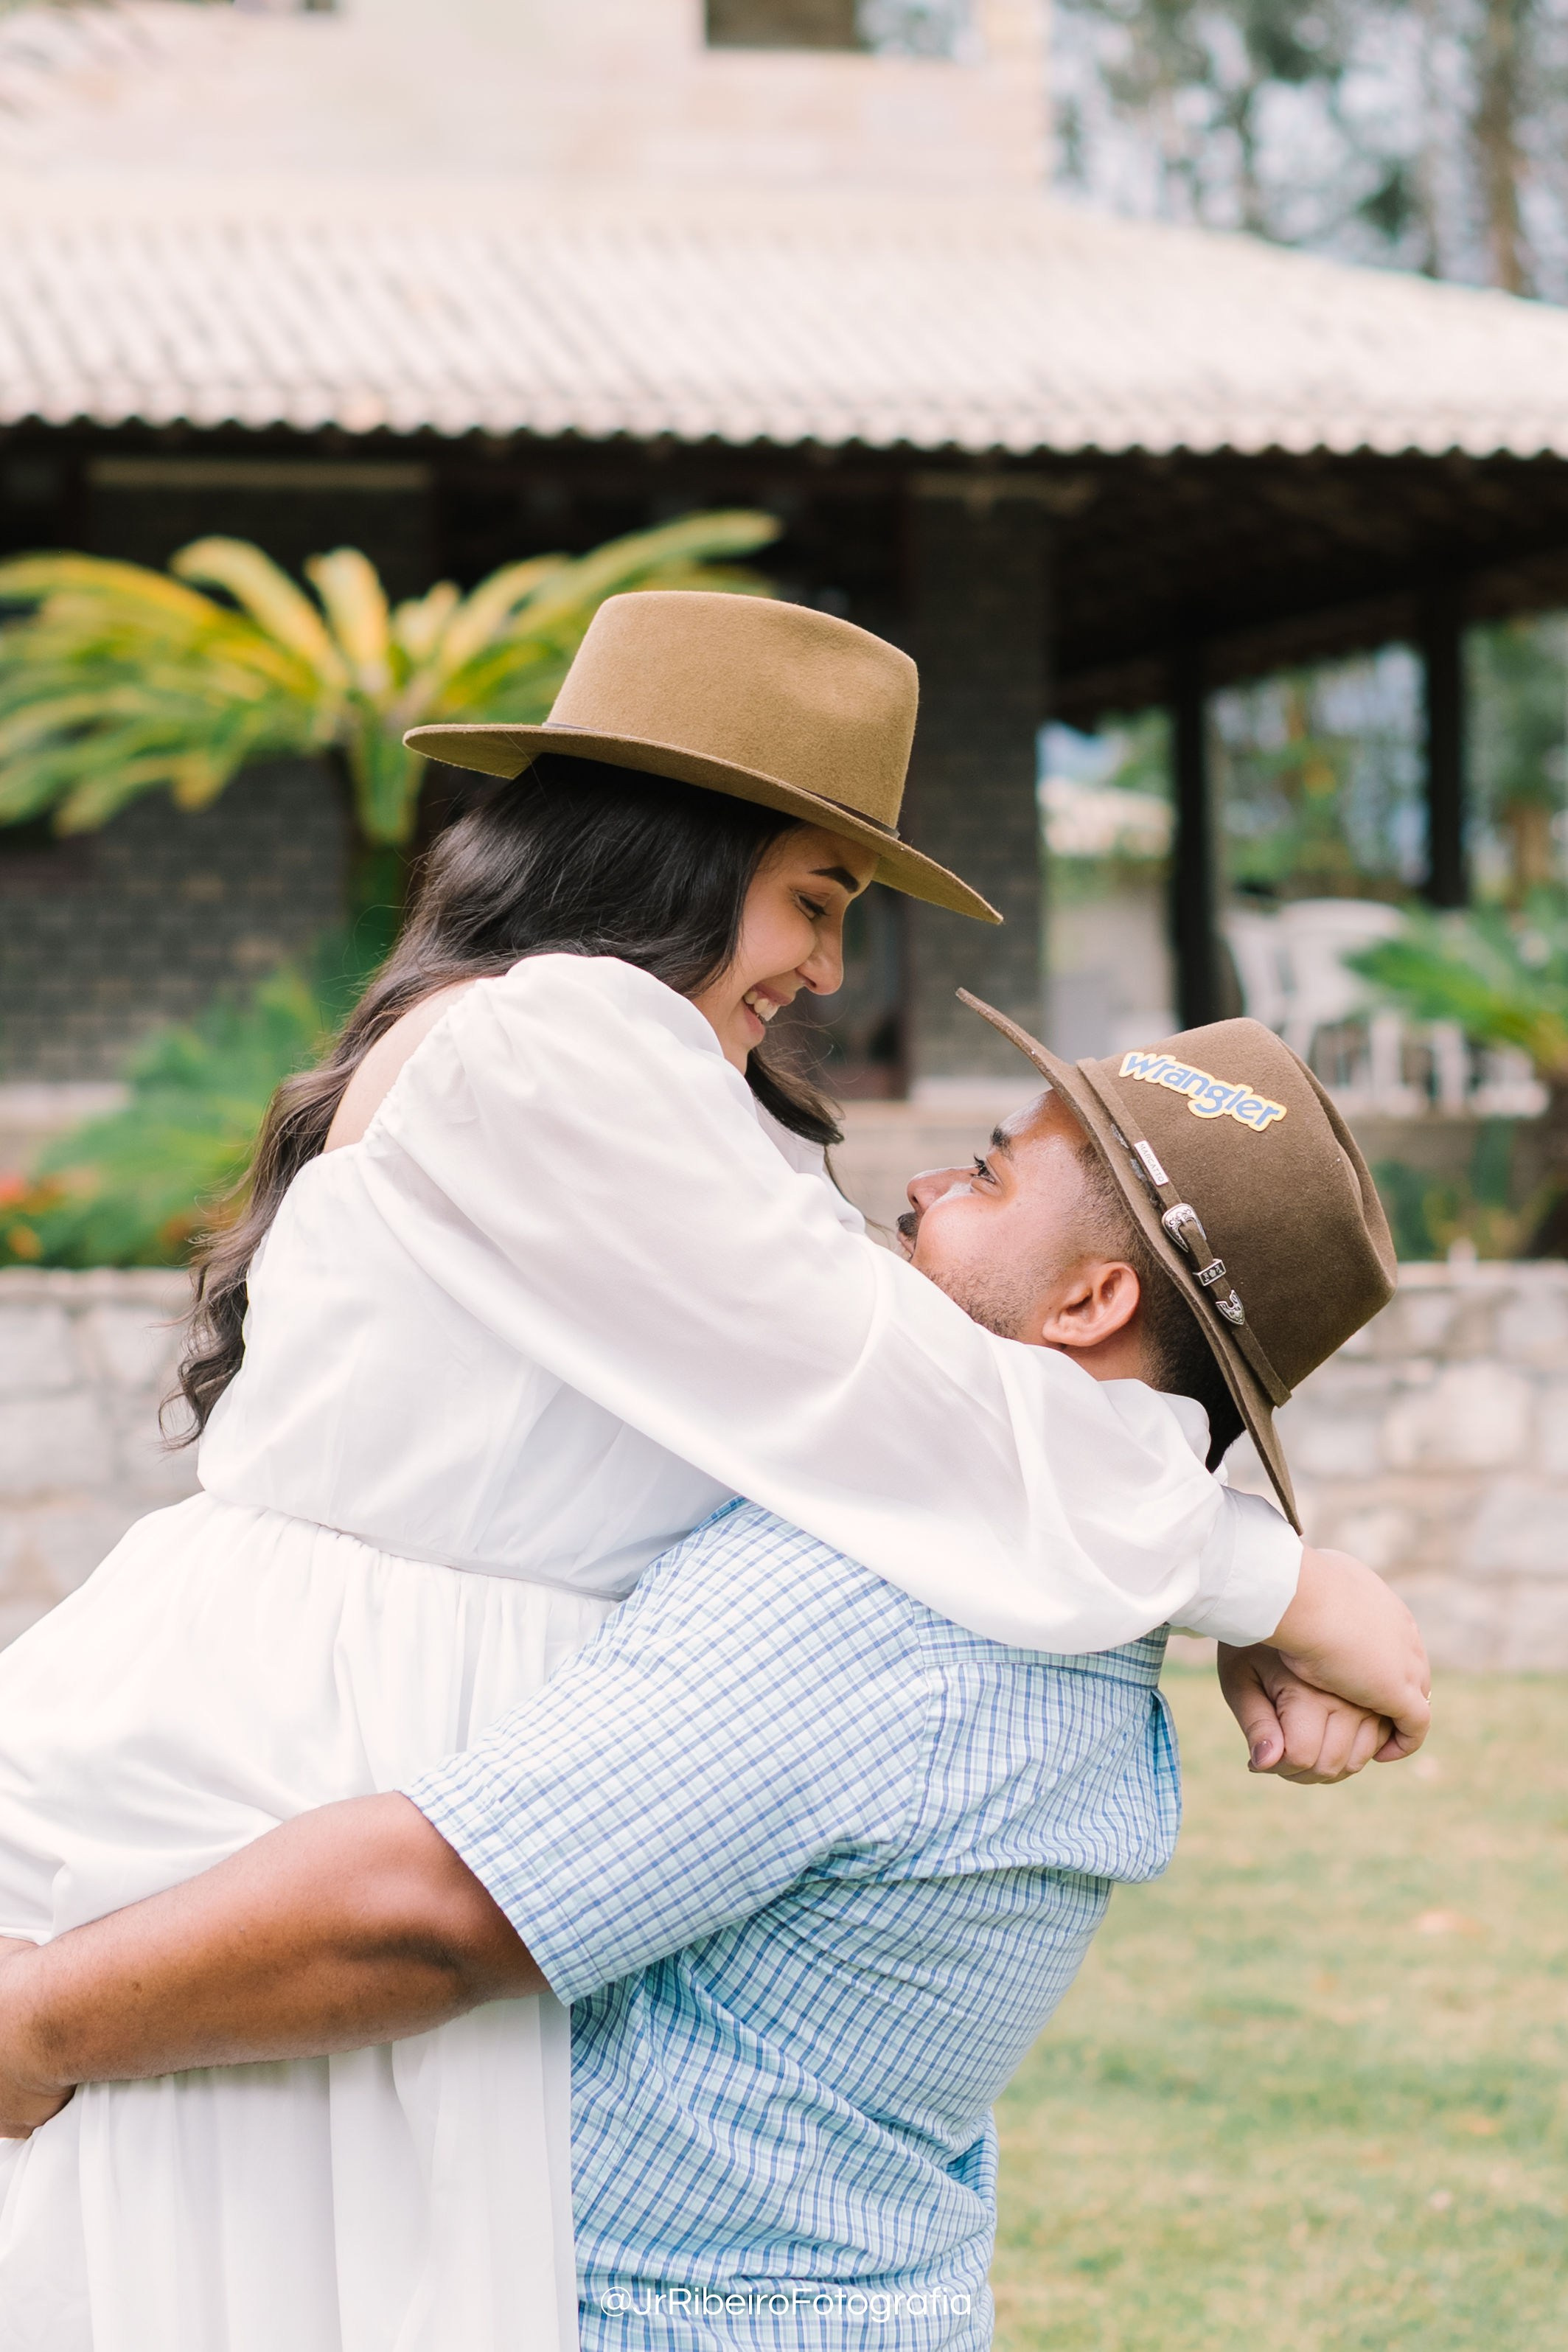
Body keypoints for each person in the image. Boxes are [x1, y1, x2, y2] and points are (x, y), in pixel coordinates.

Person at [0, 590, 1425, 2351]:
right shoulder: (557, 1041)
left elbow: (914, 1394)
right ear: (678, 853)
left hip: (383, 1761)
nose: (826, 967)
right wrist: (1276, 1580)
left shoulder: (640, 1077)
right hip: (290, 1753)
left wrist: (1226, 1580)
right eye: (813, 896)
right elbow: (882, 1379)